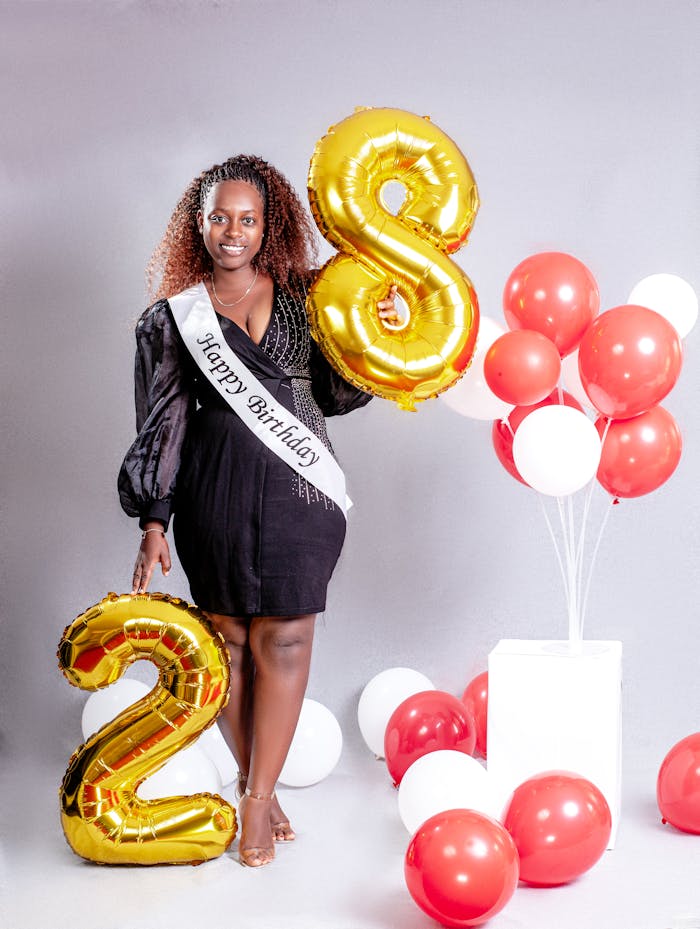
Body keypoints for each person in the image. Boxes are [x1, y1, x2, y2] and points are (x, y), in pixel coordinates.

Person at [118, 154, 397, 867]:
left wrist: (383, 324)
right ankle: (262, 787)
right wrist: (155, 521)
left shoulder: (310, 300)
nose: (232, 232)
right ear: (199, 224)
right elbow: (162, 424)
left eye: (246, 219)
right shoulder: (172, 319)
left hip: (304, 494)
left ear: (268, 223)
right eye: (219, 218)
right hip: (212, 493)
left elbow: (338, 392)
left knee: (287, 640)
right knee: (230, 646)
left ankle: (253, 798)